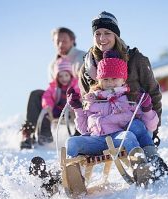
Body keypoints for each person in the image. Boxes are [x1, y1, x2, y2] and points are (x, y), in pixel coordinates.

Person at [78, 11, 168, 177]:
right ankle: (65, 177)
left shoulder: (135, 59)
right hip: (103, 129)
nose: (102, 38)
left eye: (107, 33)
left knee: (134, 129)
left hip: (134, 122)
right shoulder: (86, 67)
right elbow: (85, 105)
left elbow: (153, 93)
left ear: (116, 35)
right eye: (97, 34)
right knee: (75, 144)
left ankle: (150, 165)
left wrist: (154, 131)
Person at [66, 50, 158, 184]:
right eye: (105, 79)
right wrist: (78, 109)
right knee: (72, 142)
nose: (109, 83)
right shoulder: (92, 101)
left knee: (129, 136)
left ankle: (141, 169)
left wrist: (147, 109)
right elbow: (84, 129)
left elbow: (149, 127)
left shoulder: (129, 100)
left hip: (117, 138)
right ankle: (72, 177)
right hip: (95, 140)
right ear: (99, 80)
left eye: (114, 78)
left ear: (123, 79)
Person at [20, 27, 85, 149]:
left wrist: (75, 102)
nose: (61, 44)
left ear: (72, 40)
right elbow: (53, 89)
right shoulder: (52, 65)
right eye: (57, 41)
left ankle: (80, 134)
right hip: (59, 104)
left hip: (79, 101)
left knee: (86, 93)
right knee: (36, 94)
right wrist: (48, 106)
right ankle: (33, 134)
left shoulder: (81, 57)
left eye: (64, 40)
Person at [41, 58, 80, 126]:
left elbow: (78, 93)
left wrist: (73, 105)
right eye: (60, 76)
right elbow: (47, 96)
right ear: (57, 77)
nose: (64, 78)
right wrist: (48, 106)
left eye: (66, 75)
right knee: (46, 112)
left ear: (70, 75)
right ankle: (50, 126)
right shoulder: (54, 87)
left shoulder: (75, 84)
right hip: (59, 110)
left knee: (76, 108)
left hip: (71, 110)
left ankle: (75, 124)